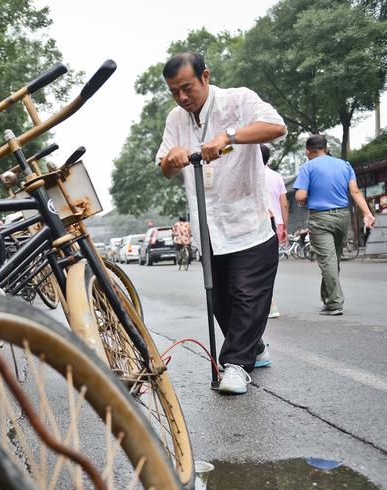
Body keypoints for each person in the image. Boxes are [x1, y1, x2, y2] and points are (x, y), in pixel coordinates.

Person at [156, 52, 287, 395]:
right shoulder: (176, 118)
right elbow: (166, 168)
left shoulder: (239, 100)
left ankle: (236, 366)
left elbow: (276, 127)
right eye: (174, 91)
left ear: (205, 76)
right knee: (221, 302)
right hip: (209, 228)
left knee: (247, 295)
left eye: (187, 88)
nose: (182, 97)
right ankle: (253, 347)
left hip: (248, 221)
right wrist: (172, 159)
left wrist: (229, 136)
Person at [293, 134, 377, 316]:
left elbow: (300, 196)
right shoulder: (344, 165)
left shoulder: (308, 166)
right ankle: (327, 297)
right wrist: (367, 214)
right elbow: (354, 191)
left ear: (308, 152)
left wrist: (307, 195)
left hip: (320, 219)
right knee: (332, 259)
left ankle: (335, 303)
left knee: (328, 260)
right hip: (342, 217)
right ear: (327, 148)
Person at [260, 144, 288, 318]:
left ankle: (268, 304)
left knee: (258, 267)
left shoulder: (253, 175)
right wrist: (284, 226)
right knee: (269, 266)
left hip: (259, 224)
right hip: (276, 223)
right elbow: (284, 203)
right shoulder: (276, 176)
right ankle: (267, 303)